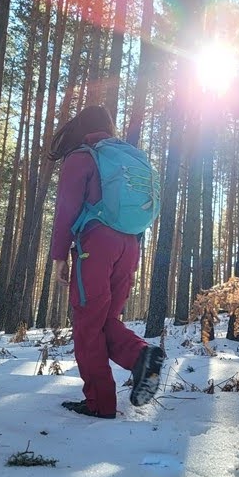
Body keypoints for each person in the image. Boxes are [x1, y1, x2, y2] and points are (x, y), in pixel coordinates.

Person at [49, 104, 164, 419]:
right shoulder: (125, 157)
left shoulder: (82, 158)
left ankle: (100, 404)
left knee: (88, 324)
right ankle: (143, 357)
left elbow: (66, 212)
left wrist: (59, 256)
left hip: (95, 245)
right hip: (130, 244)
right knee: (106, 321)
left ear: (81, 128)